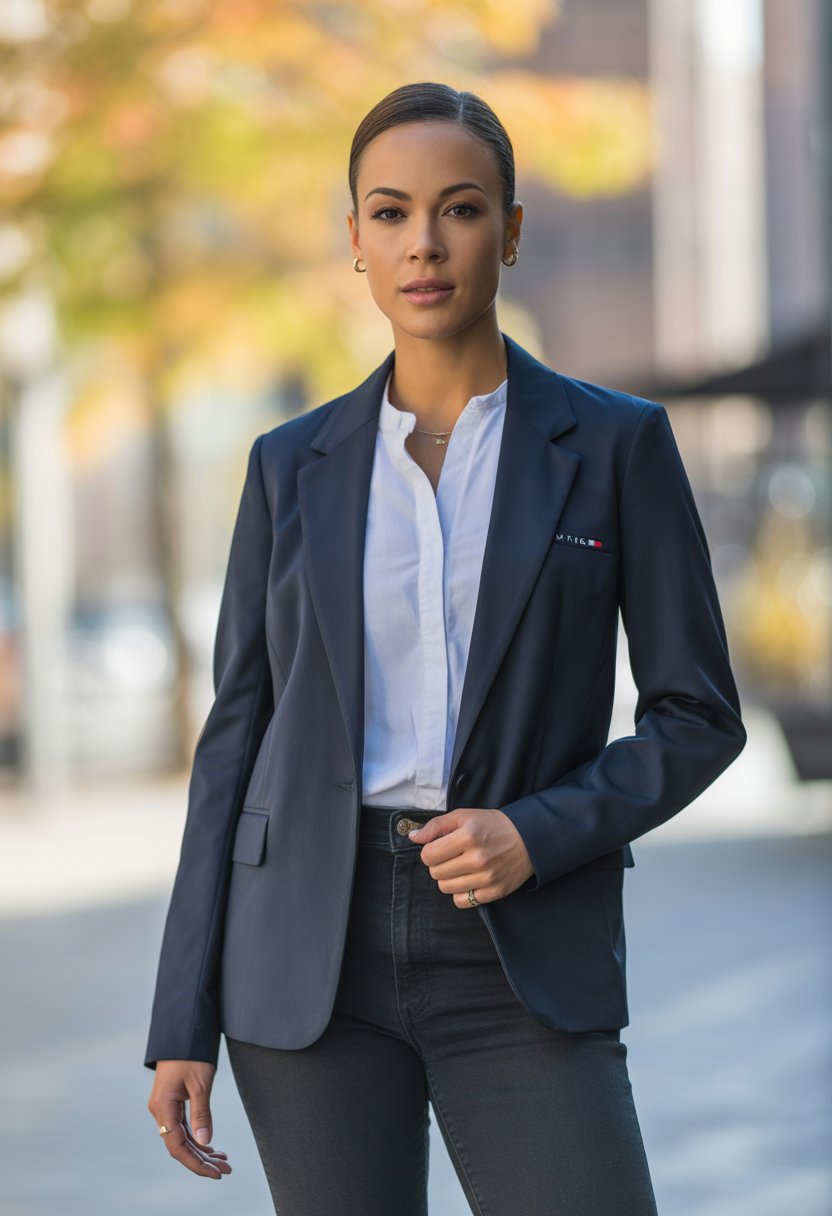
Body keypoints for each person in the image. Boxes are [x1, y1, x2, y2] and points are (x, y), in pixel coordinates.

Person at [145, 81, 747, 1215]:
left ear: (511, 230)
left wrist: (539, 829)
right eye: (389, 212)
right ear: (355, 243)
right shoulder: (291, 464)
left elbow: (697, 714)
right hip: (307, 960)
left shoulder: (615, 445)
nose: (424, 242)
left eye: (461, 209)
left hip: (519, 944)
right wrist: (180, 1016)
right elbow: (235, 736)